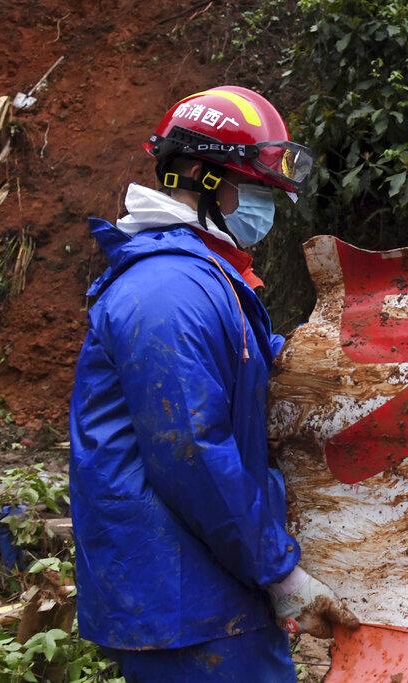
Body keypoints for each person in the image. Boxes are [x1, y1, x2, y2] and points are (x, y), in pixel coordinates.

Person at [69, 86, 358, 681]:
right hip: (185, 598)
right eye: (253, 189)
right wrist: (279, 571)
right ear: (200, 177)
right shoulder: (168, 291)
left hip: (204, 586)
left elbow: (244, 377)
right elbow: (193, 452)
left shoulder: (200, 278)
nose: (263, 207)